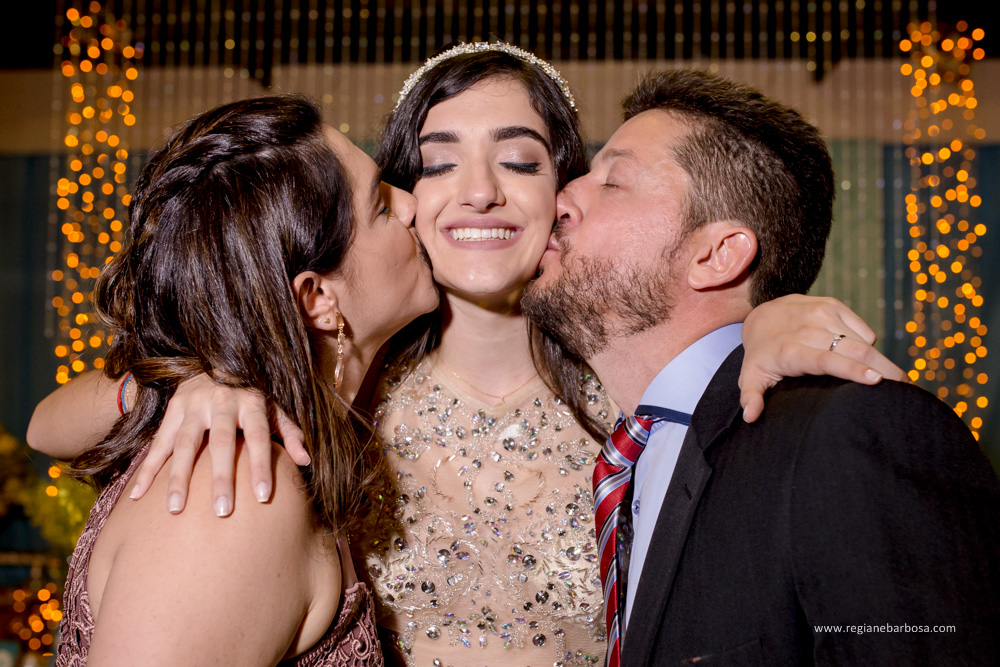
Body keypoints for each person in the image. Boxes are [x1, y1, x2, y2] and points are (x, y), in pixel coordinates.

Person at [31, 46, 905, 666]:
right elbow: (49, 423)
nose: (478, 190)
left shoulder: (627, 393)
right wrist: (208, 378)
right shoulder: (344, 388)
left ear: (565, 195)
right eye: (436, 165)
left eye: (518, 161)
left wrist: (767, 317)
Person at [521, 69, 1000, 666]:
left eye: (612, 181)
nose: (561, 199)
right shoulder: (626, 455)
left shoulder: (848, 435)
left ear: (717, 254)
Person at [50, 95, 439, 666]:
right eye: (380, 204)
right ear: (317, 299)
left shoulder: (283, 442)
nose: (411, 205)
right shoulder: (237, 497)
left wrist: (202, 378)